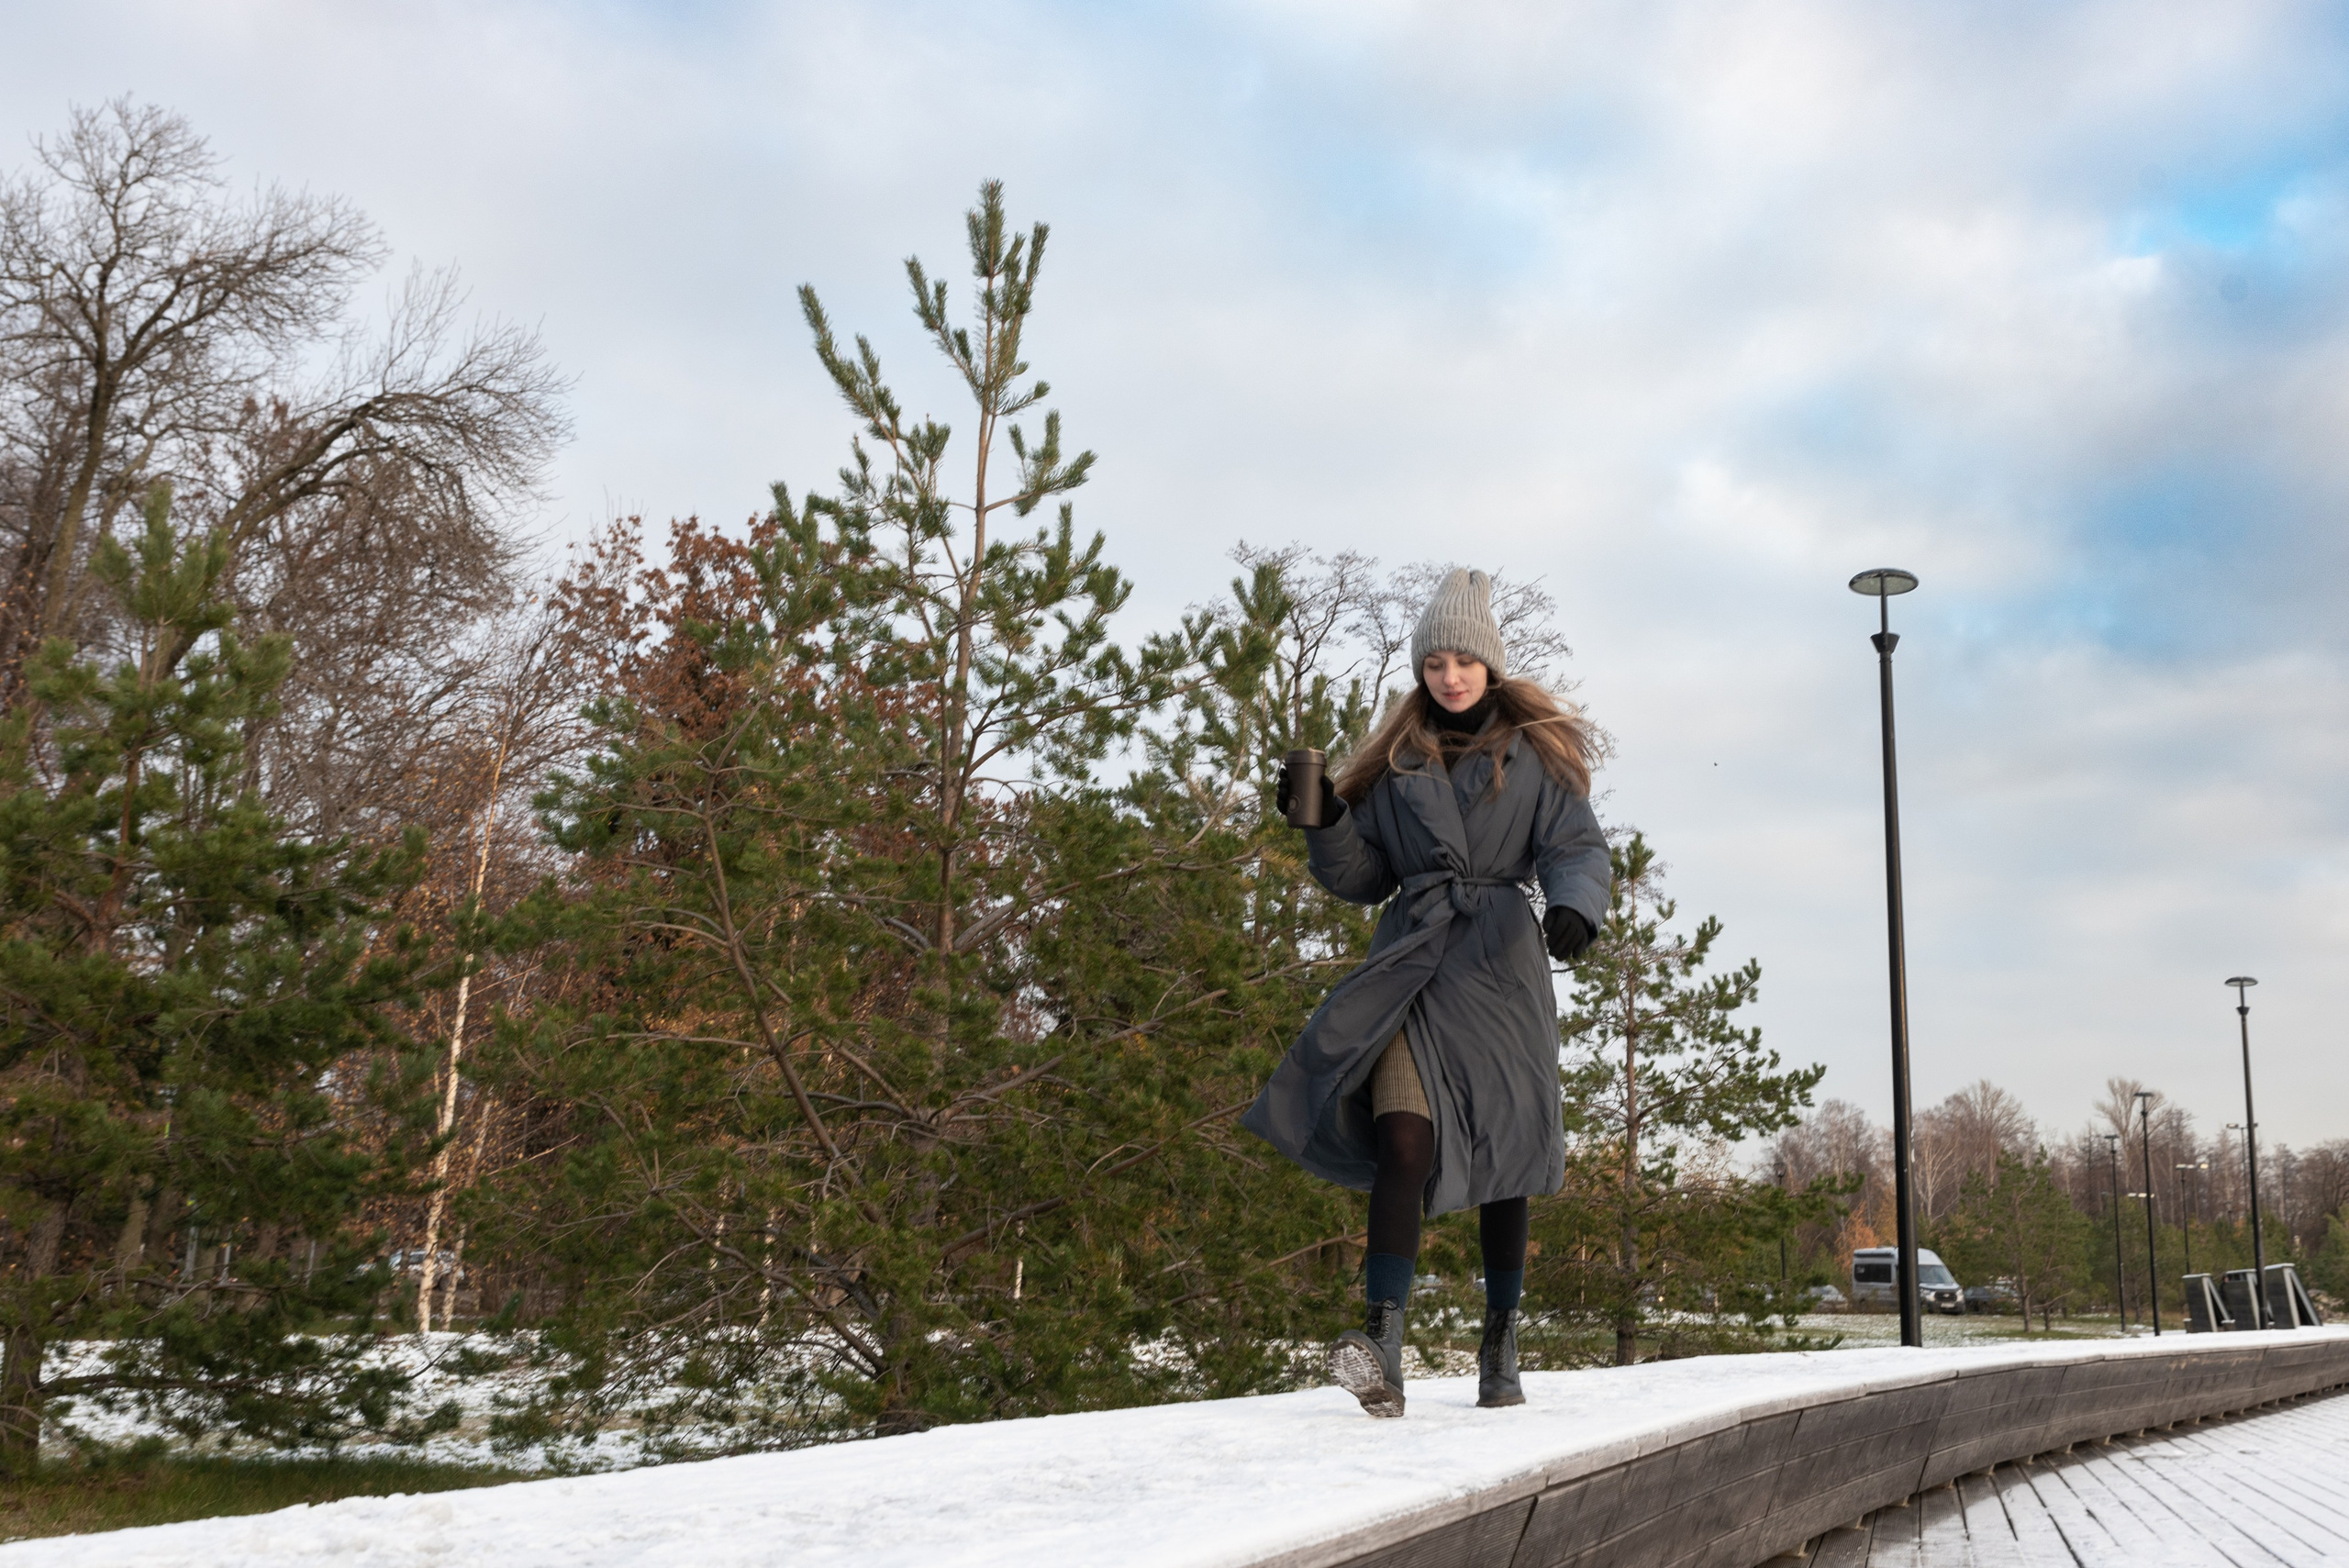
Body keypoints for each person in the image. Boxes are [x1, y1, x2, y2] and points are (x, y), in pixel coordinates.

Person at [1241, 568, 1609, 1417]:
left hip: (1500, 972)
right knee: (1403, 1138)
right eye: (1435, 660)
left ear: (1491, 664)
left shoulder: (1536, 754)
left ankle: (1501, 1337)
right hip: (1412, 964)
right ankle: (1384, 1343)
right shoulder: (1399, 758)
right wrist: (1326, 822)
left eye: (1464, 660)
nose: (1449, 675)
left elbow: (1577, 848)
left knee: (1508, 1157)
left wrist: (1575, 909)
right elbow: (1367, 875)